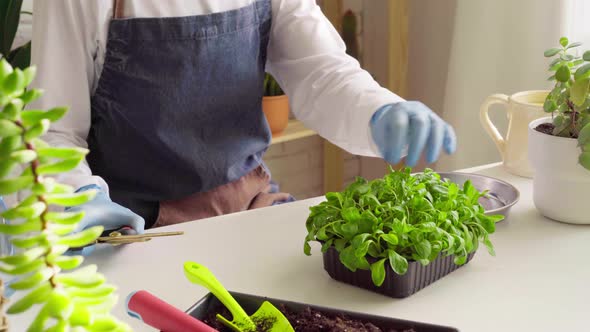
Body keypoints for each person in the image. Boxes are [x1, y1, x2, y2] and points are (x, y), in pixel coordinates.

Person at [28, 0, 456, 246]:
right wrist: (77, 196)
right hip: (131, 231)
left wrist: (379, 110)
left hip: (248, 213)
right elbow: (53, 129)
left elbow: (320, 71)